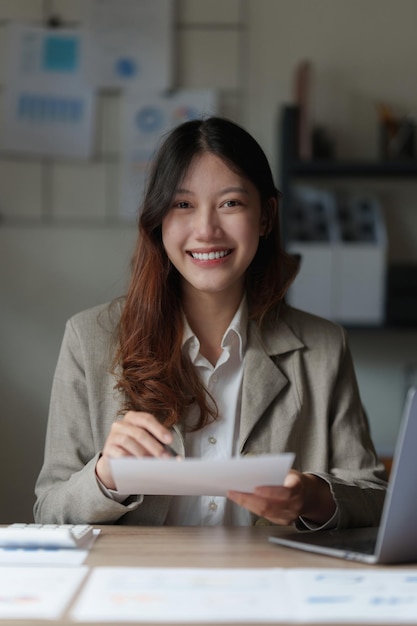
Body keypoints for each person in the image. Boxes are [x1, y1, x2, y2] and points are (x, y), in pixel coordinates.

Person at [34, 116, 387, 528]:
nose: (206, 230)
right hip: (136, 588)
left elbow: (375, 500)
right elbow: (49, 513)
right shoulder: (88, 338)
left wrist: (310, 496)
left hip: (269, 585)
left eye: (231, 203)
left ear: (266, 216)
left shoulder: (324, 347)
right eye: (183, 205)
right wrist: (105, 477)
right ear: (158, 219)